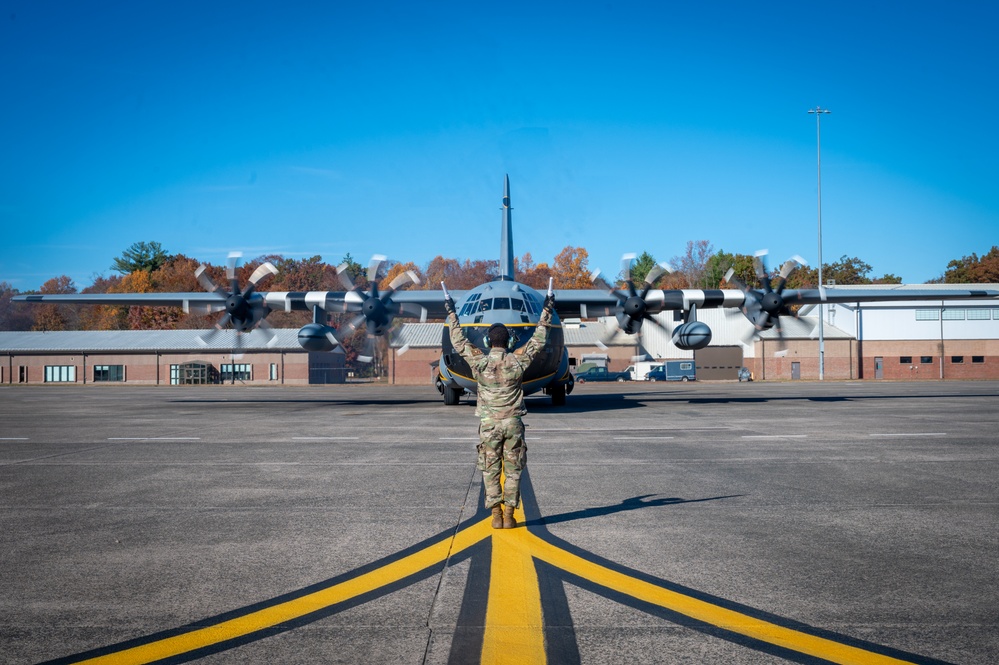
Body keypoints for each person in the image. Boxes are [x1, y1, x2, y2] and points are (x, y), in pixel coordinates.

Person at [444, 290, 554, 529]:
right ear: (510, 342)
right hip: (513, 423)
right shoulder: (517, 361)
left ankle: (495, 515)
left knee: (490, 469)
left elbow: (459, 341)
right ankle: (510, 516)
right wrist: (546, 310)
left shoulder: (480, 362)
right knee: (514, 471)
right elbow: (538, 340)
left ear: (487, 342)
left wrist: (452, 312)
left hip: (489, 425)